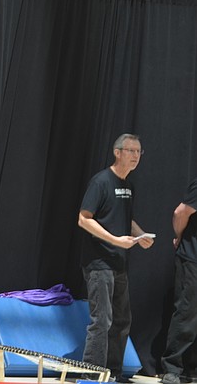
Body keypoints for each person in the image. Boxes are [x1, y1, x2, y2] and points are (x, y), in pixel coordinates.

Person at [77, 133, 154, 383]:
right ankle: (92, 374)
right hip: (99, 262)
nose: (135, 156)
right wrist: (114, 240)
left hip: (119, 263)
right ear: (117, 152)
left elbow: (124, 217)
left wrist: (140, 235)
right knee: (102, 320)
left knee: (122, 320)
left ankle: (114, 372)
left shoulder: (129, 186)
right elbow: (84, 219)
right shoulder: (100, 182)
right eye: (131, 150)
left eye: (139, 152)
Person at [160, 178, 197, 384]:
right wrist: (179, 236)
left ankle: (191, 369)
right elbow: (180, 213)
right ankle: (172, 367)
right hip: (192, 257)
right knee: (186, 312)